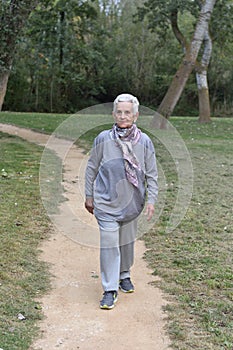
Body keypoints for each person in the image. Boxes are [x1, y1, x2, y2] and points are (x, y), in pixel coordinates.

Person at [85, 93, 158, 309]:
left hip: (132, 203)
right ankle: (109, 289)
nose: (123, 116)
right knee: (109, 244)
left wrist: (151, 200)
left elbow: (152, 174)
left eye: (128, 112)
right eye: (119, 112)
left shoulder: (144, 141)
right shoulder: (103, 138)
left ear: (136, 116)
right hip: (105, 202)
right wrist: (89, 195)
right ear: (113, 114)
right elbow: (91, 167)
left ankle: (124, 273)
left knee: (126, 243)